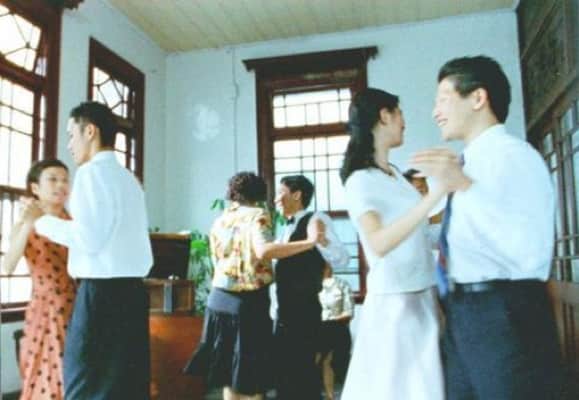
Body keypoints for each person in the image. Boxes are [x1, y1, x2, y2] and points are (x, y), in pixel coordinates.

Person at [411, 55, 562, 400]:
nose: (435, 112)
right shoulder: (468, 162)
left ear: (478, 98)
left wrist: (464, 186)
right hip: (465, 312)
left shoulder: (515, 156)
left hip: (504, 310)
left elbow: (531, 251)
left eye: (443, 99)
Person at [32, 101, 153, 399]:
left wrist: (41, 222)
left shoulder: (90, 173)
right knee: (126, 387)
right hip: (133, 295)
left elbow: (89, 238)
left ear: (90, 132)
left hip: (101, 297)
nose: (69, 145)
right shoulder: (129, 180)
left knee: (85, 385)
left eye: (71, 135)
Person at [339, 88, 450, 399]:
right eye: (399, 113)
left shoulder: (396, 176)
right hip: (396, 305)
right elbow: (378, 243)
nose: (404, 121)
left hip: (423, 296)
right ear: (384, 116)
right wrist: (433, 196)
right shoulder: (360, 180)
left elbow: (420, 235)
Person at [183, 172, 325, 400]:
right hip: (248, 302)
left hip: (218, 301)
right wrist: (309, 243)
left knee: (228, 374)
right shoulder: (258, 215)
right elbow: (264, 250)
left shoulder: (220, 220)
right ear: (259, 193)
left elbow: (216, 260)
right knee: (252, 375)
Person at [2, 160, 76, 400]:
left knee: (74, 374)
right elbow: (8, 265)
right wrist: (28, 223)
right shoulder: (24, 223)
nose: (61, 185)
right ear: (35, 188)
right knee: (42, 371)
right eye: (53, 179)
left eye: (65, 180)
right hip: (43, 308)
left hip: (75, 305)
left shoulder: (74, 222)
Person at [272, 174, 349, 400]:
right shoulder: (283, 229)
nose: (275, 199)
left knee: (304, 374)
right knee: (285, 375)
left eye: (280, 193)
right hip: (284, 312)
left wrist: (321, 241)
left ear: (297, 195)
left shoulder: (317, 218)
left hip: (306, 312)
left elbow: (342, 259)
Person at [316, 264, 354, 400]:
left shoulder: (342, 284)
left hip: (337, 328)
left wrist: (330, 320)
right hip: (315, 328)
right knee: (314, 360)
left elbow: (349, 312)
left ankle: (330, 396)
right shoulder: (311, 284)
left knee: (332, 361)